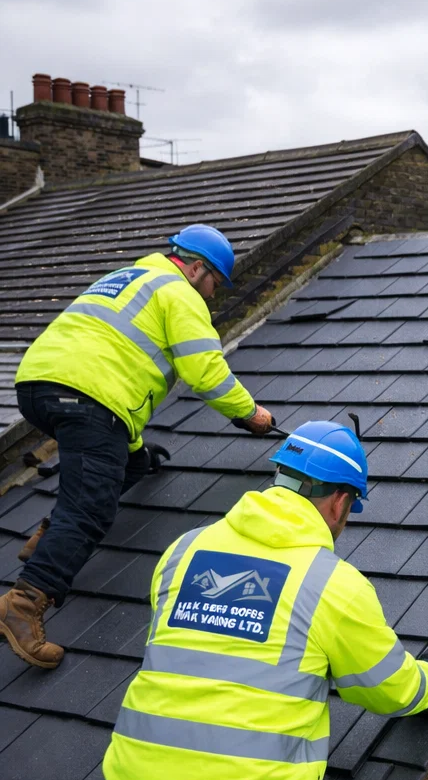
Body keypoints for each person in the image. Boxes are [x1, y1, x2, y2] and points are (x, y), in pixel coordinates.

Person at [102, 420, 428, 780]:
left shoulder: (184, 550)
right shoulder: (330, 584)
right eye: (350, 512)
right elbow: (395, 692)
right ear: (339, 503)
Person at [0, 224, 274, 670]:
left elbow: (112, 352)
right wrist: (250, 414)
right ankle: (24, 603)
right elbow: (205, 370)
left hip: (39, 387)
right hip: (89, 396)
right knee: (91, 510)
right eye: (214, 284)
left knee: (121, 464)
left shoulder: (128, 276)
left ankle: (48, 535)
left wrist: (135, 452)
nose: (211, 296)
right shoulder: (180, 294)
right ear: (198, 268)